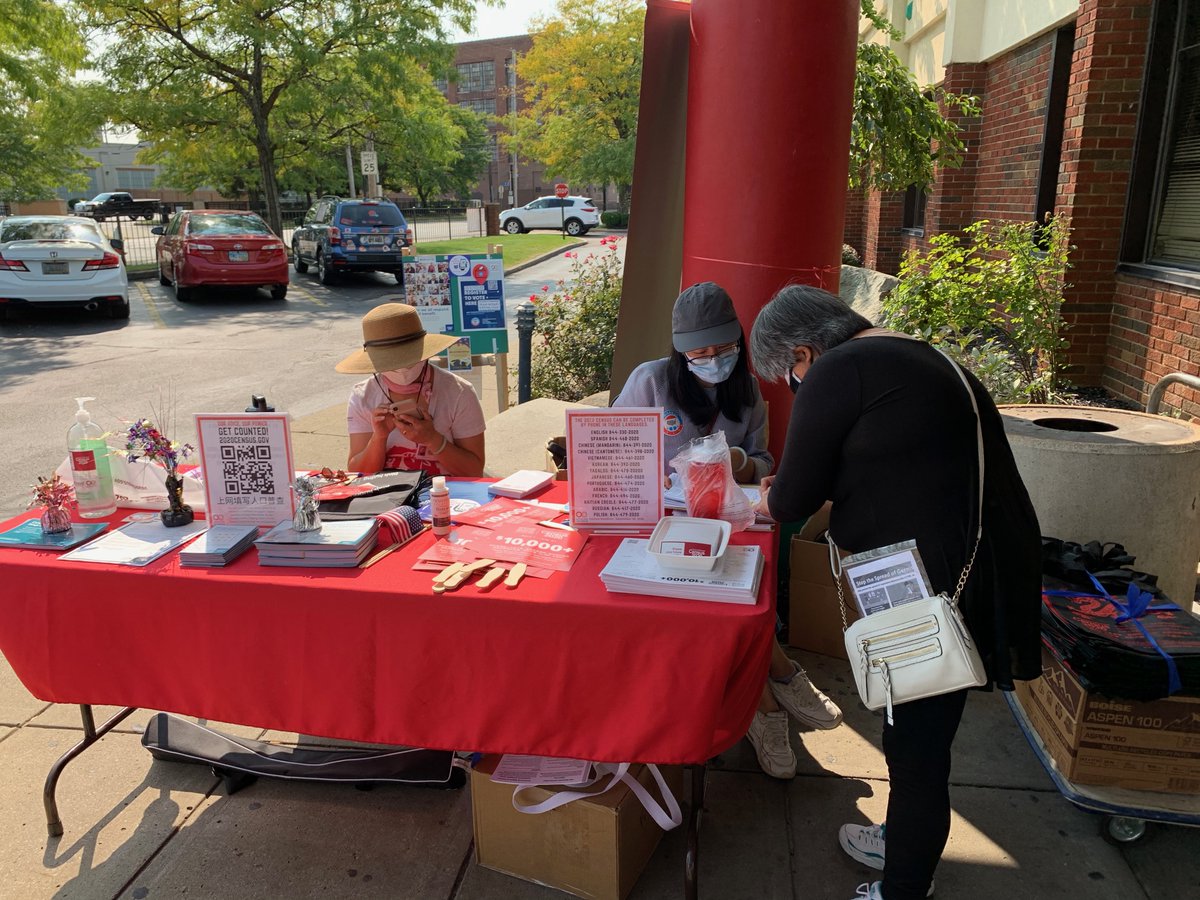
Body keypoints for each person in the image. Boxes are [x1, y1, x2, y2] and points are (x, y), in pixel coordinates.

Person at [749, 285, 1042, 900]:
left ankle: (904, 883)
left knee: (914, 744)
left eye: (790, 374)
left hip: (923, 592)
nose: (797, 385)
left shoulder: (839, 369)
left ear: (805, 351)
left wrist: (777, 489)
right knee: (921, 731)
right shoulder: (920, 357)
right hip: (971, 571)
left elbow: (791, 501)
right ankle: (905, 836)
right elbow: (898, 460)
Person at [614, 281, 843, 779]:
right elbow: (612, 448)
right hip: (659, 526)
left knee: (742, 593)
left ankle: (766, 699)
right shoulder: (651, 380)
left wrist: (735, 459)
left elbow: (764, 462)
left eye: (723, 349)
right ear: (679, 349)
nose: (712, 359)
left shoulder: (749, 390)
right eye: (700, 351)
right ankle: (772, 690)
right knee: (719, 603)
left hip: (727, 522)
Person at [336, 302, 486, 476]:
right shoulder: (363, 396)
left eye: (409, 358)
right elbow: (358, 475)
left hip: (445, 496)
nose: (403, 368)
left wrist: (433, 439)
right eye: (392, 362)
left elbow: (474, 472)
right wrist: (379, 438)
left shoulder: (459, 393)